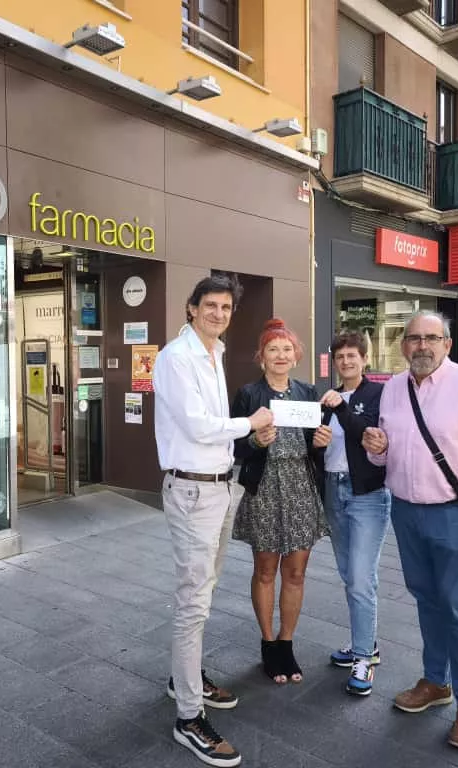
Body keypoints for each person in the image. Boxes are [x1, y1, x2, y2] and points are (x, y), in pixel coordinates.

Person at [362, 310, 458, 751]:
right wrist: (379, 451)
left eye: (432, 337)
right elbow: (390, 454)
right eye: (413, 338)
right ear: (403, 344)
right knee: (427, 600)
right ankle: (436, 682)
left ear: (447, 344)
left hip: (454, 515)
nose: (421, 346)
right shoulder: (393, 389)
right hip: (406, 512)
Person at [153, 274, 272, 768]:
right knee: (194, 599)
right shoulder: (175, 358)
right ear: (190, 307)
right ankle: (187, 716)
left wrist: (244, 444)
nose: (219, 313)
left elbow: (215, 430)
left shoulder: (214, 351)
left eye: (226, 307)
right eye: (211, 305)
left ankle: (185, 675)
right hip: (192, 489)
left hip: (220, 486)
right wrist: (253, 423)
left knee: (205, 587)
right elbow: (199, 426)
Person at [231, 318, 326, 687]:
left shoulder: (307, 393)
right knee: (266, 569)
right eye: (273, 349)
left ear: (296, 354)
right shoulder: (249, 394)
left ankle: (286, 642)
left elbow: (316, 444)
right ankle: (268, 642)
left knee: (297, 571)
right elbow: (235, 444)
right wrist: (255, 442)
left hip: (300, 485)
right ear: (262, 357)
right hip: (266, 487)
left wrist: (321, 441)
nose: (281, 355)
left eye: (287, 349)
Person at [312, 331, 390, 697]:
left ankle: (364, 657)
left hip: (367, 495)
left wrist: (342, 410)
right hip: (333, 488)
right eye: (340, 356)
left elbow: (369, 436)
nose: (346, 362)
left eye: (352, 356)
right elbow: (319, 449)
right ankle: (365, 641)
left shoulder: (377, 395)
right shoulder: (325, 400)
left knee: (361, 578)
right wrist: (317, 444)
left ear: (364, 359)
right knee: (349, 574)